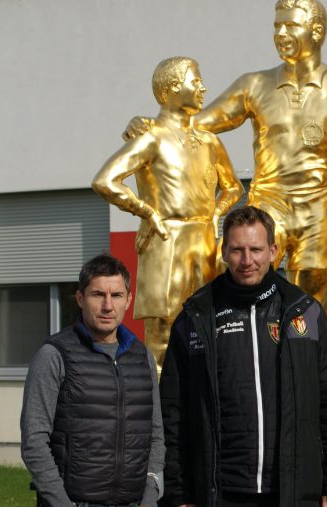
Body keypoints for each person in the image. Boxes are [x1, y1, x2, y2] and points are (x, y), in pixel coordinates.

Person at [125, 0, 327, 309]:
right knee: (240, 275)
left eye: (291, 25)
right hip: (269, 203)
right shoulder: (254, 85)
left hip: (319, 210)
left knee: (309, 306)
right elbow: (197, 124)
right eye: (277, 26)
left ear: (317, 32)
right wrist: (153, 125)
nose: (280, 33)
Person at [159, 205, 327, 507]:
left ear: (274, 251)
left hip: (292, 493)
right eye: (237, 250)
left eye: (256, 249)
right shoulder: (195, 318)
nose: (247, 260)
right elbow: (173, 413)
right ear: (223, 252)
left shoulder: (305, 312)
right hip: (223, 495)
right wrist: (179, 491)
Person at [93, 57, 242, 372]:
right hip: (166, 242)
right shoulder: (151, 137)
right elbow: (105, 181)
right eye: (195, 80)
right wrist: (146, 212)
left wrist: (215, 215)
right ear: (173, 87)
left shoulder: (210, 142)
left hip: (204, 246)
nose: (203, 87)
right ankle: (158, 404)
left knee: (211, 330)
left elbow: (233, 188)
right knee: (163, 336)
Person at [20, 254, 164, 507]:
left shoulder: (142, 356)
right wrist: (61, 505)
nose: (108, 305)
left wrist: (150, 497)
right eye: (98, 294)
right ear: (80, 298)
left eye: (117, 295)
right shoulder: (54, 354)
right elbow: (33, 438)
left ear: (129, 300)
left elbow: (155, 433)